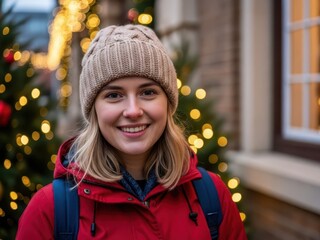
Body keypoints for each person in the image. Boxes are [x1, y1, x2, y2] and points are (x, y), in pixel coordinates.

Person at [16, 24, 247, 240]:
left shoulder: (212, 197)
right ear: (93, 109)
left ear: (168, 103)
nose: (133, 111)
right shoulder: (51, 210)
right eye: (114, 95)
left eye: (147, 92)